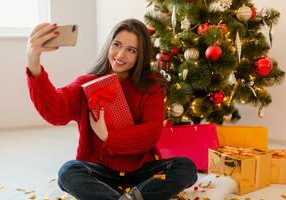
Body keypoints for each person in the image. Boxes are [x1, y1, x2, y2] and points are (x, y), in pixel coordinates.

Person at [26, 18, 197, 200]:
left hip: (141, 174)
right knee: (68, 172)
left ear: (140, 55)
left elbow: (150, 134)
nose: (121, 55)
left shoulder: (151, 86)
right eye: (117, 45)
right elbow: (56, 112)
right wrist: (33, 62)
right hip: (100, 173)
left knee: (186, 168)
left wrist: (108, 137)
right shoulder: (86, 83)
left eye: (131, 50)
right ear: (109, 45)